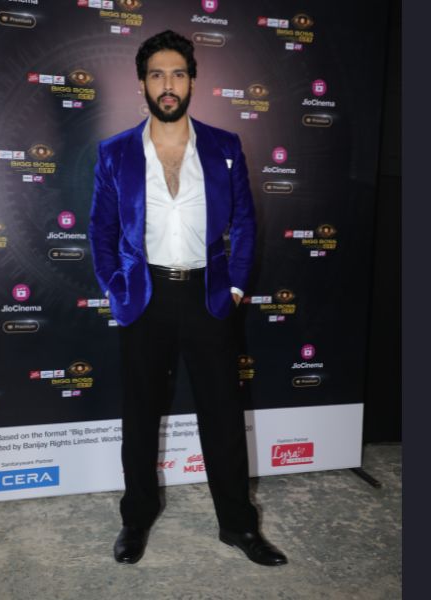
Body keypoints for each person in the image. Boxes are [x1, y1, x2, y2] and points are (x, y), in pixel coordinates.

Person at [88, 30, 287, 567]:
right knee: (139, 416)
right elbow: (100, 231)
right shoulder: (115, 153)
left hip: (208, 296)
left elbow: (244, 223)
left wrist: (236, 286)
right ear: (142, 84)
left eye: (177, 73)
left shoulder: (224, 146)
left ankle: (238, 526)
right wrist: (116, 288)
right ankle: (136, 519)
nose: (168, 85)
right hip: (145, 296)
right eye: (157, 75)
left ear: (193, 81)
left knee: (223, 416)